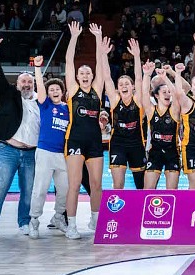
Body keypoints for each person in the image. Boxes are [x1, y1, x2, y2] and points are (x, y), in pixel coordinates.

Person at [0, 30, 39, 237]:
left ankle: (24, 223)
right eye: (23, 81)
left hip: (31, 153)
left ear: (34, 84)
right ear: (17, 84)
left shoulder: (41, 101)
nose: (26, 84)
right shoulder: (8, 95)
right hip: (8, 149)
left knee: (28, 192)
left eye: (29, 82)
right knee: (0, 186)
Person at [63, 22, 107, 240]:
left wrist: (98, 39)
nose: (85, 74)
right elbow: (68, 62)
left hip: (95, 142)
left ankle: (95, 219)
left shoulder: (97, 90)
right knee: (74, 185)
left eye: (88, 72)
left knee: (97, 185)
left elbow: (101, 64)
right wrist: (73, 37)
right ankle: (71, 225)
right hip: (75, 141)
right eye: (82, 72)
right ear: (78, 77)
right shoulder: (72, 89)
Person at [28, 55, 70, 239]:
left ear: (62, 92)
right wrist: (38, 68)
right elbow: (40, 85)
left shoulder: (68, 109)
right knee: (41, 188)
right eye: (51, 89)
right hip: (44, 152)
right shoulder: (45, 106)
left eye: (57, 89)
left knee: (65, 189)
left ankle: (59, 216)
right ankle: (34, 220)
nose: (54, 91)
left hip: (63, 155)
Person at [101, 37, 146, 189]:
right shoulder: (115, 100)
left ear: (132, 87)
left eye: (127, 83)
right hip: (118, 144)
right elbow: (107, 77)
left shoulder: (137, 99)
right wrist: (103, 55)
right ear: (117, 88)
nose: (123, 85)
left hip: (137, 144)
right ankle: (118, 212)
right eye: (121, 84)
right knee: (118, 185)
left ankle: (141, 210)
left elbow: (139, 78)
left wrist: (137, 56)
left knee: (141, 184)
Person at [140, 62, 182, 190]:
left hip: (172, 153)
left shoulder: (174, 110)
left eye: (168, 92)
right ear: (157, 95)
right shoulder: (151, 110)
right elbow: (144, 94)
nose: (168, 94)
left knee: (172, 192)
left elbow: (176, 94)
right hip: (155, 153)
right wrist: (147, 75)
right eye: (164, 92)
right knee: (148, 190)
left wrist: (165, 78)